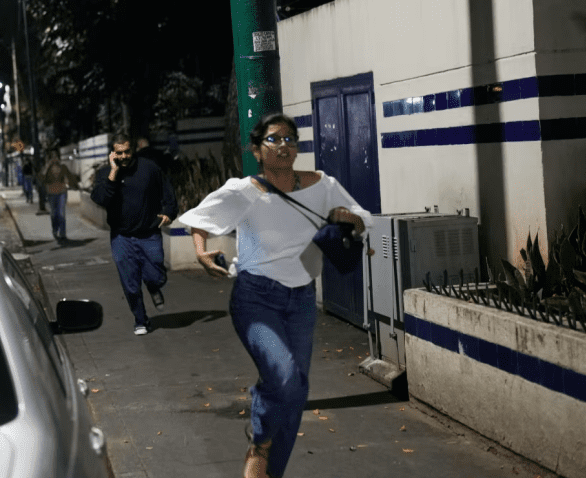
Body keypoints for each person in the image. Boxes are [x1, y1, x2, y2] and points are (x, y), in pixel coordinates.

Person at [178, 113, 373, 478]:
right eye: (274, 138)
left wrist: (351, 218)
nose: (284, 145)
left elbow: (363, 216)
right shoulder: (244, 191)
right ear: (257, 150)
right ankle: (260, 438)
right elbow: (199, 219)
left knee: (296, 392)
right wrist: (201, 252)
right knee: (283, 377)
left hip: (301, 300)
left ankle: (270, 470)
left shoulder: (323, 185)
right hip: (255, 299)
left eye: (290, 139)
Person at [91, 133, 178, 335]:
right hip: (121, 237)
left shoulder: (149, 168)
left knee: (157, 276)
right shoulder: (105, 173)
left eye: (127, 152)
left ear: (133, 150)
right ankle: (140, 320)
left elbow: (167, 191)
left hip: (149, 233)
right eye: (119, 153)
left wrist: (169, 212)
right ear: (113, 153)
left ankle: (153, 286)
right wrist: (113, 173)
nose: (124, 156)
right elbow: (101, 199)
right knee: (130, 284)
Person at [43, 151, 79, 242]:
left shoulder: (63, 167)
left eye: (56, 156)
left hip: (62, 193)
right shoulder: (47, 168)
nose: (55, 159)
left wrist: (76, 186)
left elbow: (70, 177)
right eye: (52, 157)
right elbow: (41, 178)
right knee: (54, 214)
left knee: (61, 213)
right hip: (51, 193)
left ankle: (62, 233)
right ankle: (55, 230)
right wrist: (47, 166)